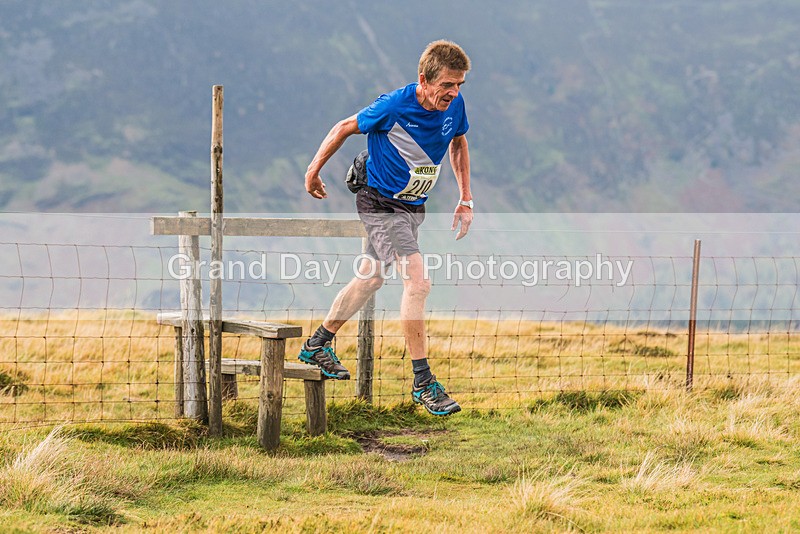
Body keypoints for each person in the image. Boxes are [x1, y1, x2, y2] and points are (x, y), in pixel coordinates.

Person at [299, 40, 473, 417]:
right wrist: (313, 171)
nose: (453, 92)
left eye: (459, 84)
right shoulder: (394, 106)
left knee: (371, 279)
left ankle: (316, 344)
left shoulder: (455, 105)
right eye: (446, 84)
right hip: (379, 202)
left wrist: (466, 198)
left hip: (411, 206)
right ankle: (423, 381)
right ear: (424, 80)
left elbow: (458, 143)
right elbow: (344, 127)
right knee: (418, 282)